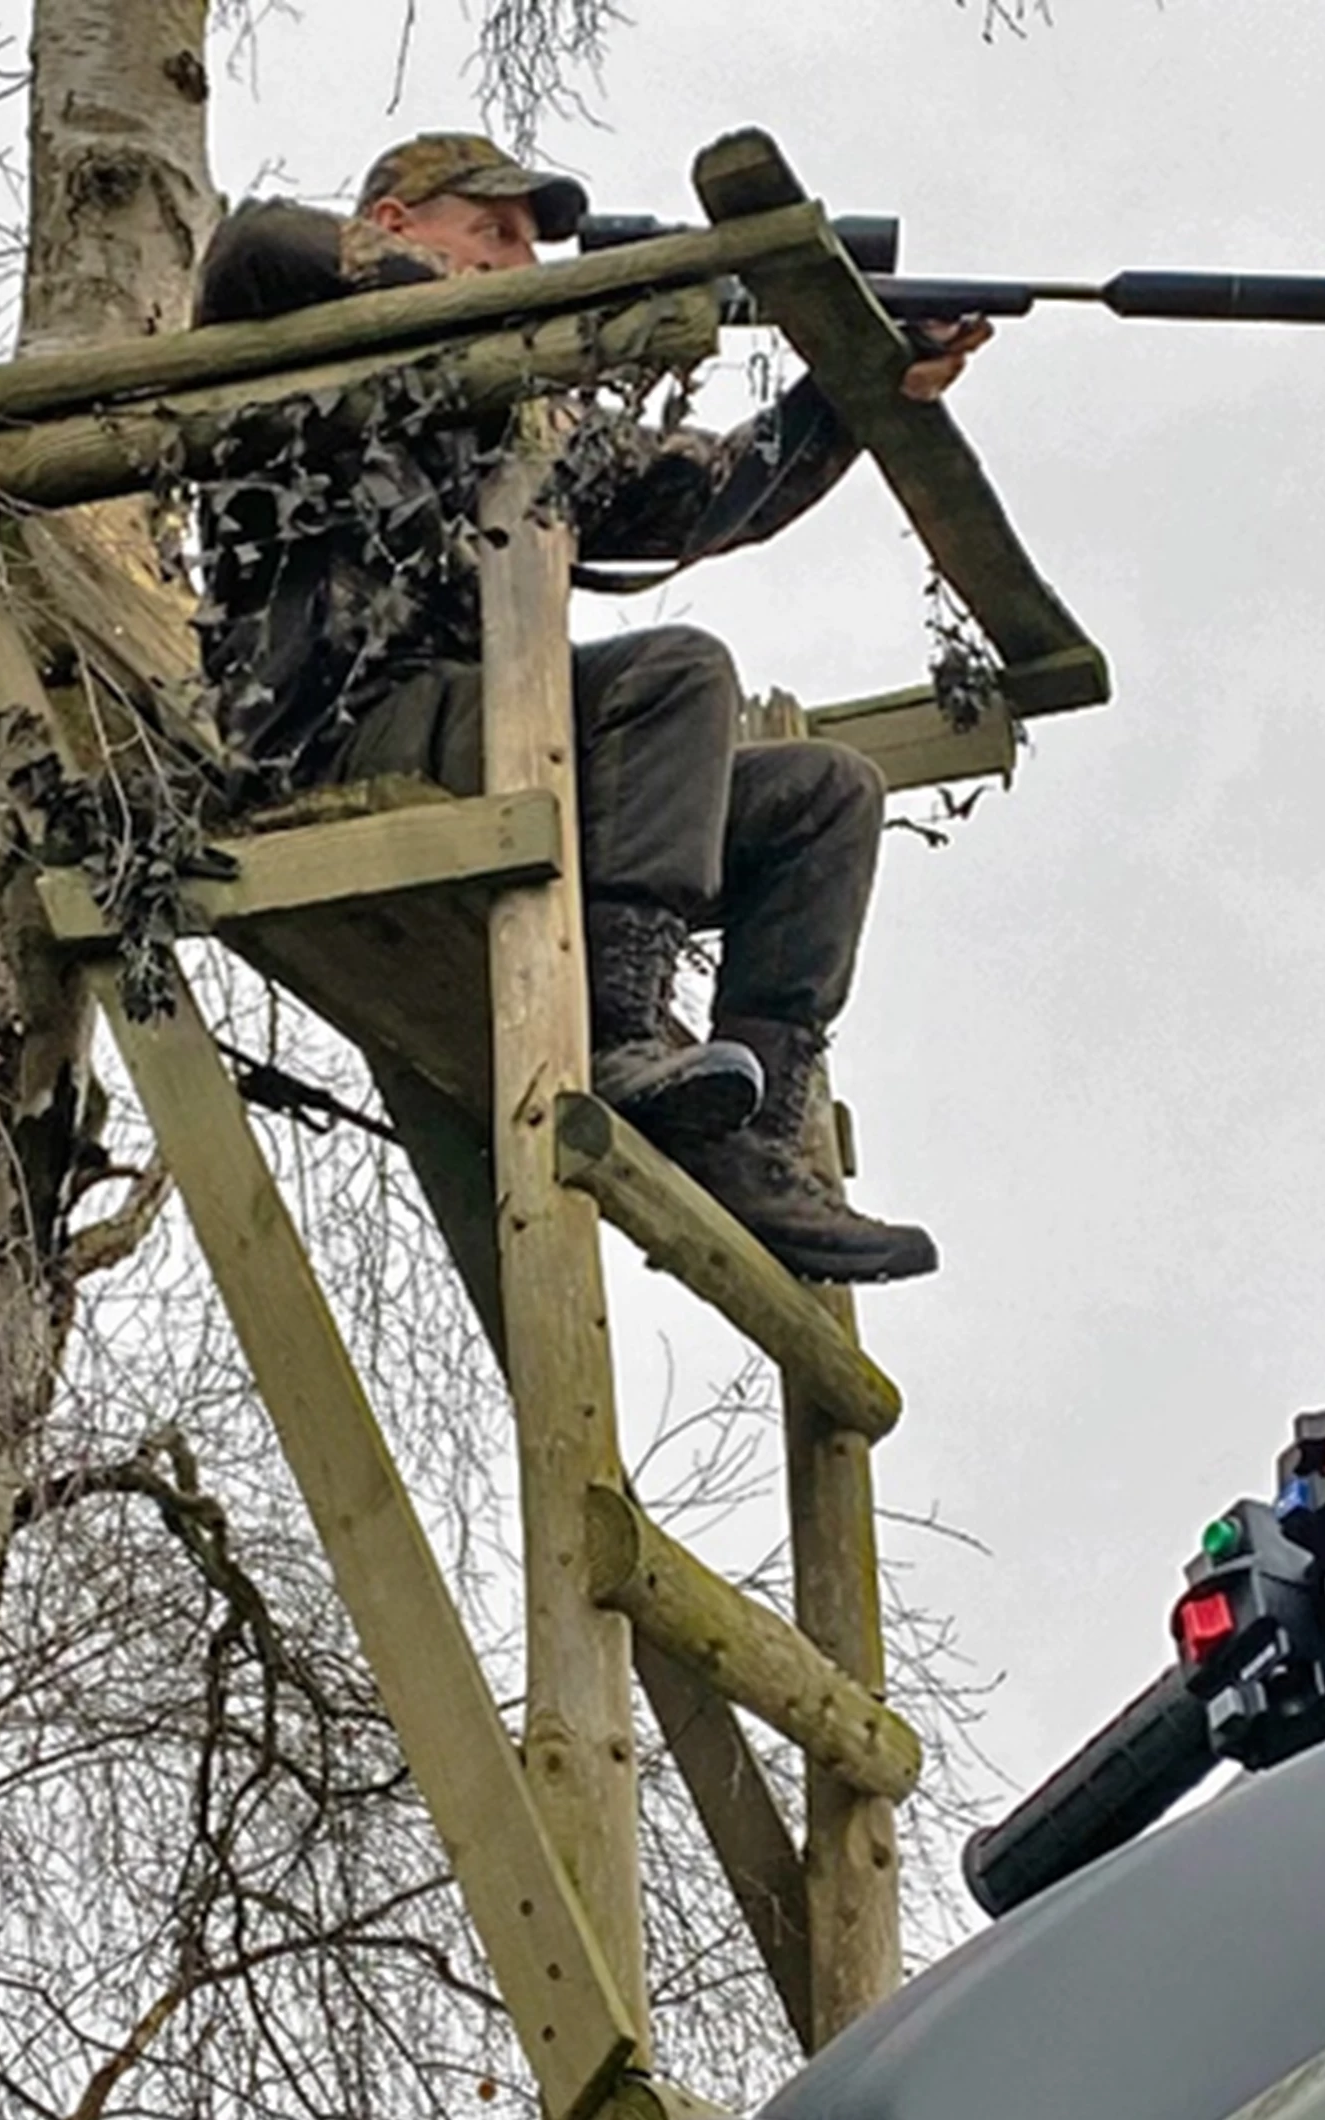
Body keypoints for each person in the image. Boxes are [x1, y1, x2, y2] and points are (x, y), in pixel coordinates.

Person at [191, 133, 984, 1284]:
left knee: (823, 795)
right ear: (398, 225)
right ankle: (617, 1031)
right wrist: (509, 308)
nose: (519, 261)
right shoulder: (298, 336)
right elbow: (256, 238)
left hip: (508, 740)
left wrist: (855, 386)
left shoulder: (520, 417)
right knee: (677, 674)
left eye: (531, 247)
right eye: (492, 232)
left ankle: (756, 1137)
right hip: (334, 738)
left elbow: (714, 493)